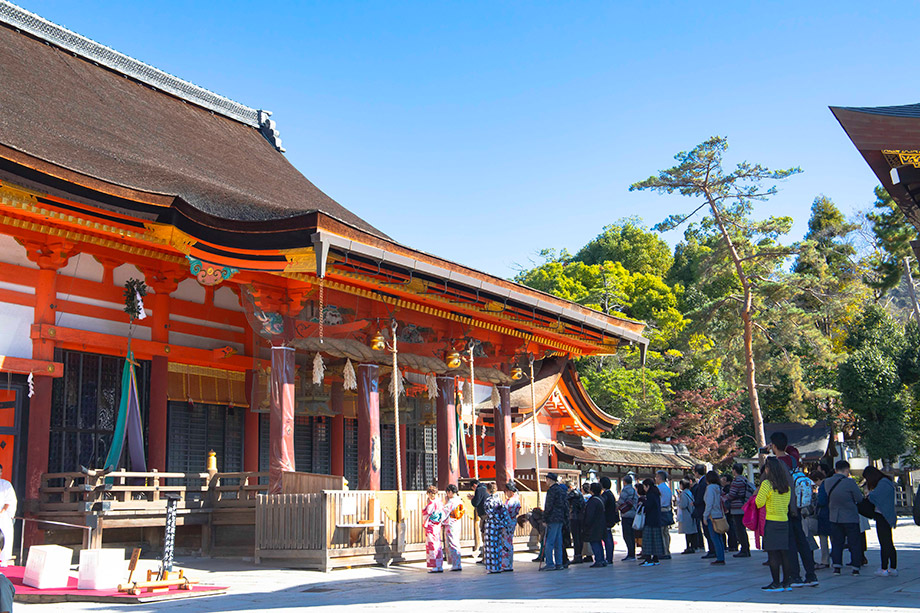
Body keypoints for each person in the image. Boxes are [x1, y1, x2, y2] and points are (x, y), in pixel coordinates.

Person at [756, 457, 793, 592]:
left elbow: (759, 502)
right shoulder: (786, 486)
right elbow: (788, 504)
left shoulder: (767, 484)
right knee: (784, 554)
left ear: (768, 469)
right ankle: (787, 582)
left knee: (773, 554)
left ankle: (775, 582)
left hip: (771, 521)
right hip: (784, 520)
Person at [825, 460, 864, 576]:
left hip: (834, 517)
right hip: (850, 517)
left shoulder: (827, 482)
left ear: (836, 469)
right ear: (847, 470)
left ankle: (837, 566)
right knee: (854, 543)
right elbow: (859, 498)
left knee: (837, 542)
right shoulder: (850, 483)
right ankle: (855, 567)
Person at [787, 462, 819, 588]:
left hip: (789, 512)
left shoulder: (784, 474)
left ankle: (795, 576)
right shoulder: (798, 474)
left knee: (792, 545)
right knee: (803, 542)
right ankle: (811, 575)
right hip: (799, 511)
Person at [863, 466, 898, 577]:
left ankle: (884, 568)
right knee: (888, 542)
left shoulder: (883, 483)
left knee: (884, 542)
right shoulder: (886, 482)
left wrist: (868, 495)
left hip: (882, 515)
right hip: (887, 515)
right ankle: (893, 567)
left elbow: (874, 496)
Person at [541, 472, 567, 571]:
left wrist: (545, 518)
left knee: (549, 541)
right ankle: (559, 562)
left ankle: (549, 563)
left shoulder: (551, 491)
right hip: (560, 518)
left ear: (549, 480)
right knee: (558, 541)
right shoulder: (561, 490)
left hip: (552, 518)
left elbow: (548, 506)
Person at [482, 482, 510, 574]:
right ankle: (498, 566)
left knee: (490, 546)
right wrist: (502, 522)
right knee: (498, 545)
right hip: (499, 524)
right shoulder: (499, 500)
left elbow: (490, 514)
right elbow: (503, 512)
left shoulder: (488, 501)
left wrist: (495, 519)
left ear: (488, 490)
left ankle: (492, 567)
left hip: (491, 524)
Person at [726, 463, 753, 557]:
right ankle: (746, 548)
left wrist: (726, 497)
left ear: (734, 470)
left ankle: (744, 548)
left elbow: (732, 494)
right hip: (744, 505)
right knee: (742, 529)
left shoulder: (736, 481)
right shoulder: (744, 479)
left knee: (739, 529)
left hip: (737, 507)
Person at [702, 470, 726, 565]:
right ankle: (721, 555)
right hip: (719, 513)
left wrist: (705, 515)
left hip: (712, 515)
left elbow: (709, 503)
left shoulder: (710, 488)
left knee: (714, 537)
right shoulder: (718, 488)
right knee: (719, 537)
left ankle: (719, 557)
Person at [640, 478, 665, 566]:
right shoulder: (656, 494)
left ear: (647, 486)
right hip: (657, 520)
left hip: (650, 520)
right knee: (656, 540)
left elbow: (648, 507)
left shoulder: (650, 495)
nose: (644, 489)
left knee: (648, 540)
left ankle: (648, 559)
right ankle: (655, 558)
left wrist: (643, 503)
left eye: (644, 486)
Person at [808, 468, 830, 569]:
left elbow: (821, 501)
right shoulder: (829, 483)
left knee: (823, 538)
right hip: (831, 513)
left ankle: (825, 560)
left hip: (824, 515)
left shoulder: (822, 487)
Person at [584, 482, 607, 567]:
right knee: (598, 542)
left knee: (594, 542)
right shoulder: (601, 499)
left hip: (594, 525)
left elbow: (590, 514)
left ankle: (599, 560)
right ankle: (601, 559)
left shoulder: (593, 501)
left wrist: (586, 523)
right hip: (601, 523)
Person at [422, 485, 444, 573]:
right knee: (438, 544)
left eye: (433, 494)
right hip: (437, 525)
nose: (432, 495)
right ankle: (439, 565)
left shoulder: (431, 504)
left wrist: (426, 506)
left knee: (432, 545)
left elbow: (426, 512)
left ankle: (433, 565)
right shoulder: (439, 502)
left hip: (431, 525)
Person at [691, 464, 712, 556]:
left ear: (696, 472)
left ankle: (712, 550)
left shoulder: (703, 482)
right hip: (703, 508)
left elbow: (701, 496)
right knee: (707, 531)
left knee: (708, 531)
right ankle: (712, 549)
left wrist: (696, 502)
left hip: (703, 508)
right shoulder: (704, 481)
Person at [618, 474, 639, 561]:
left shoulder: (625, 490)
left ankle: (630, 553)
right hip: (633, 513)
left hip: (626, 514)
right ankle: (632, 552)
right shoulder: (634, 491)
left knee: (627, 534)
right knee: (632, 534)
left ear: (624, 482)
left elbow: (620, 501)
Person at [443, 483, 464, 571]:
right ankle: (457, 563)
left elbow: (444, 512)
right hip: (457, 522)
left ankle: (456, 564)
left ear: (450, 492)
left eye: (448, 492)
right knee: (456, 542)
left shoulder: (451, 502)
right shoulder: (459, 500)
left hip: (451, 523)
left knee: (452, 543)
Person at [599, 477, 619, 565]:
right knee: (608, 537)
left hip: (606, 518)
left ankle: (609, 557)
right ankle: (609, 557)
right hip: (610, 518)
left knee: (607, 538)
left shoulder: (606, 495)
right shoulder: (610, 494)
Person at [502, 482, 521, 572]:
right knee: (509, 542)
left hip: (507, 522)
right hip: (512, 521)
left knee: (506, 543)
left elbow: (506, 512)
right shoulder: (516, 500)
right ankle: (509, 564)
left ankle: (506, 564)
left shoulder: (511, 501)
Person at [566, 480, 587, 564]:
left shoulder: (573, 493)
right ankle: (579, 555)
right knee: (579, 537)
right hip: (580, 517)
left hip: (574, 517)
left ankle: (577, 555)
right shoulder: (579, 493)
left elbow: (565, 499)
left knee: (576, 537)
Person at [468, 478, 488, 562]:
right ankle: (485, 557)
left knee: (484, 536)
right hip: (488, 514)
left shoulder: (479, 489)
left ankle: (485, 558)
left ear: (474, 486)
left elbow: (476, 503)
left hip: (484, 515)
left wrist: (472, 499)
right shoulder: (485, 488)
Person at [677, 478, 698, 554]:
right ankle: (692, 546)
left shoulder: (683, 494)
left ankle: (688, 547)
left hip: (686, 515)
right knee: (691, 531)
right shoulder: (689, 492)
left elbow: (683, 505)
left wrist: (678, 502)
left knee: (687, 532)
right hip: (691, 513)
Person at [655, 470, 673, 559]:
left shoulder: (659, 488)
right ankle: (667, 550)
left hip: (661, 510)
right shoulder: (668, 488)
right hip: (667, 510)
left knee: (661, 532)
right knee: (666, 532)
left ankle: (663, 551)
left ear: (659, 477)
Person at [0, 465, 14, 568]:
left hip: (2, 515)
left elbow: (8, 501)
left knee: (5, 536)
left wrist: (2, 511)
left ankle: (3, 559)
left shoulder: (5, 484)